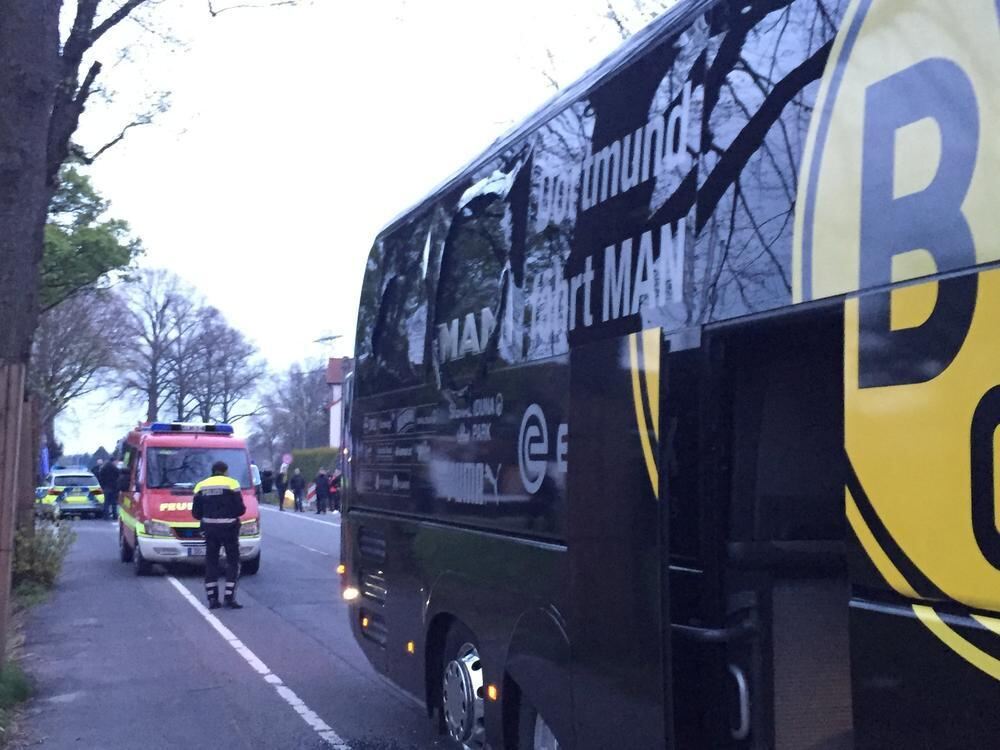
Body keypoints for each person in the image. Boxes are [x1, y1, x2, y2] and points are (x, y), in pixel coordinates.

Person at [192, 461, 246, 610]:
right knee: (233, 562)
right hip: (229, 529)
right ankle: (229, 597)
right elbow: (241, 509)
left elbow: (196, 513)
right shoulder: (232, 484)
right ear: (225, 471)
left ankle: (212, 599)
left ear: (213, 470)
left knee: (211, 563)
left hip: (209, 530)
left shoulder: (201, 486)